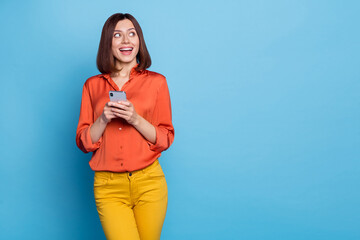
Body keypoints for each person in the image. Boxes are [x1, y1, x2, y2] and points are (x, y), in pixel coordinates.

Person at [75, 13, 174, 240]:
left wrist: (135, 119)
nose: (126, 41)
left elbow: (166, 138)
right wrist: (103, 119)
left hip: (149, 182)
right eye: (117, 35)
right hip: (108, 187)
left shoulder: (157, 82)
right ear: (108, 42)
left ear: (139, 40)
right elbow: (83, 142)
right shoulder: (92, 86)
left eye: (132, 34)